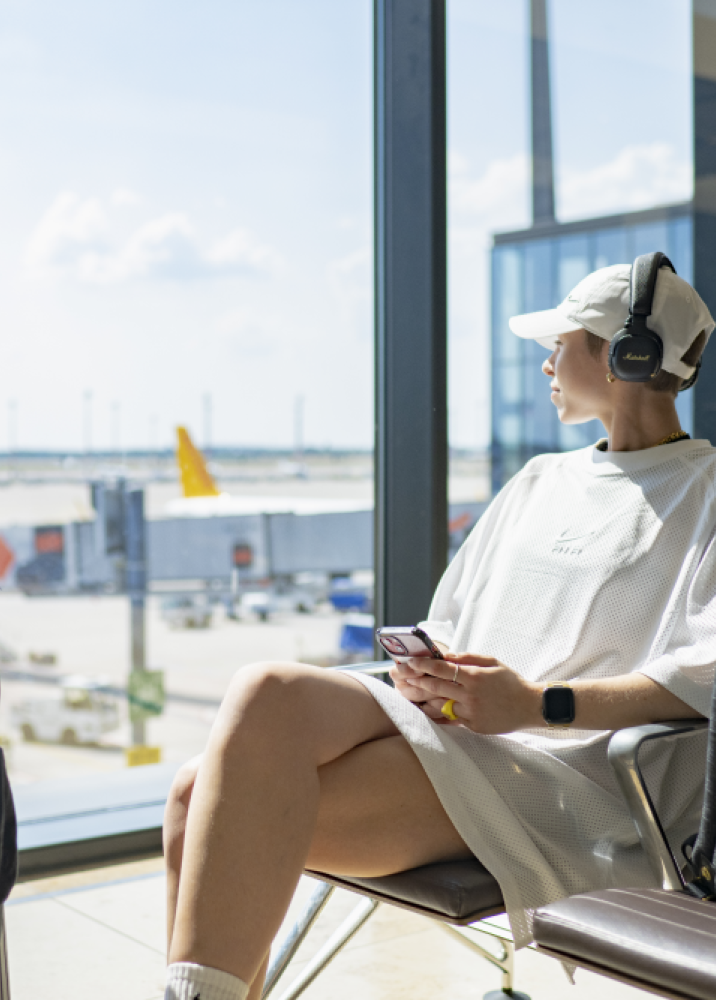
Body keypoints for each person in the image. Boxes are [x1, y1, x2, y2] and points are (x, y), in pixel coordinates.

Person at [160, 256, 716, 1000]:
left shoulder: (704, 492)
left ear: (626, 353)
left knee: (203, 803)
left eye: (562, 342)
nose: (548, 361)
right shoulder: (539, 481)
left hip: (564, 778)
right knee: (246, 716)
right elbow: (450, 620)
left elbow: (704, 673)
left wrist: (537, 704)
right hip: (463, 737)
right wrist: (435, 671)